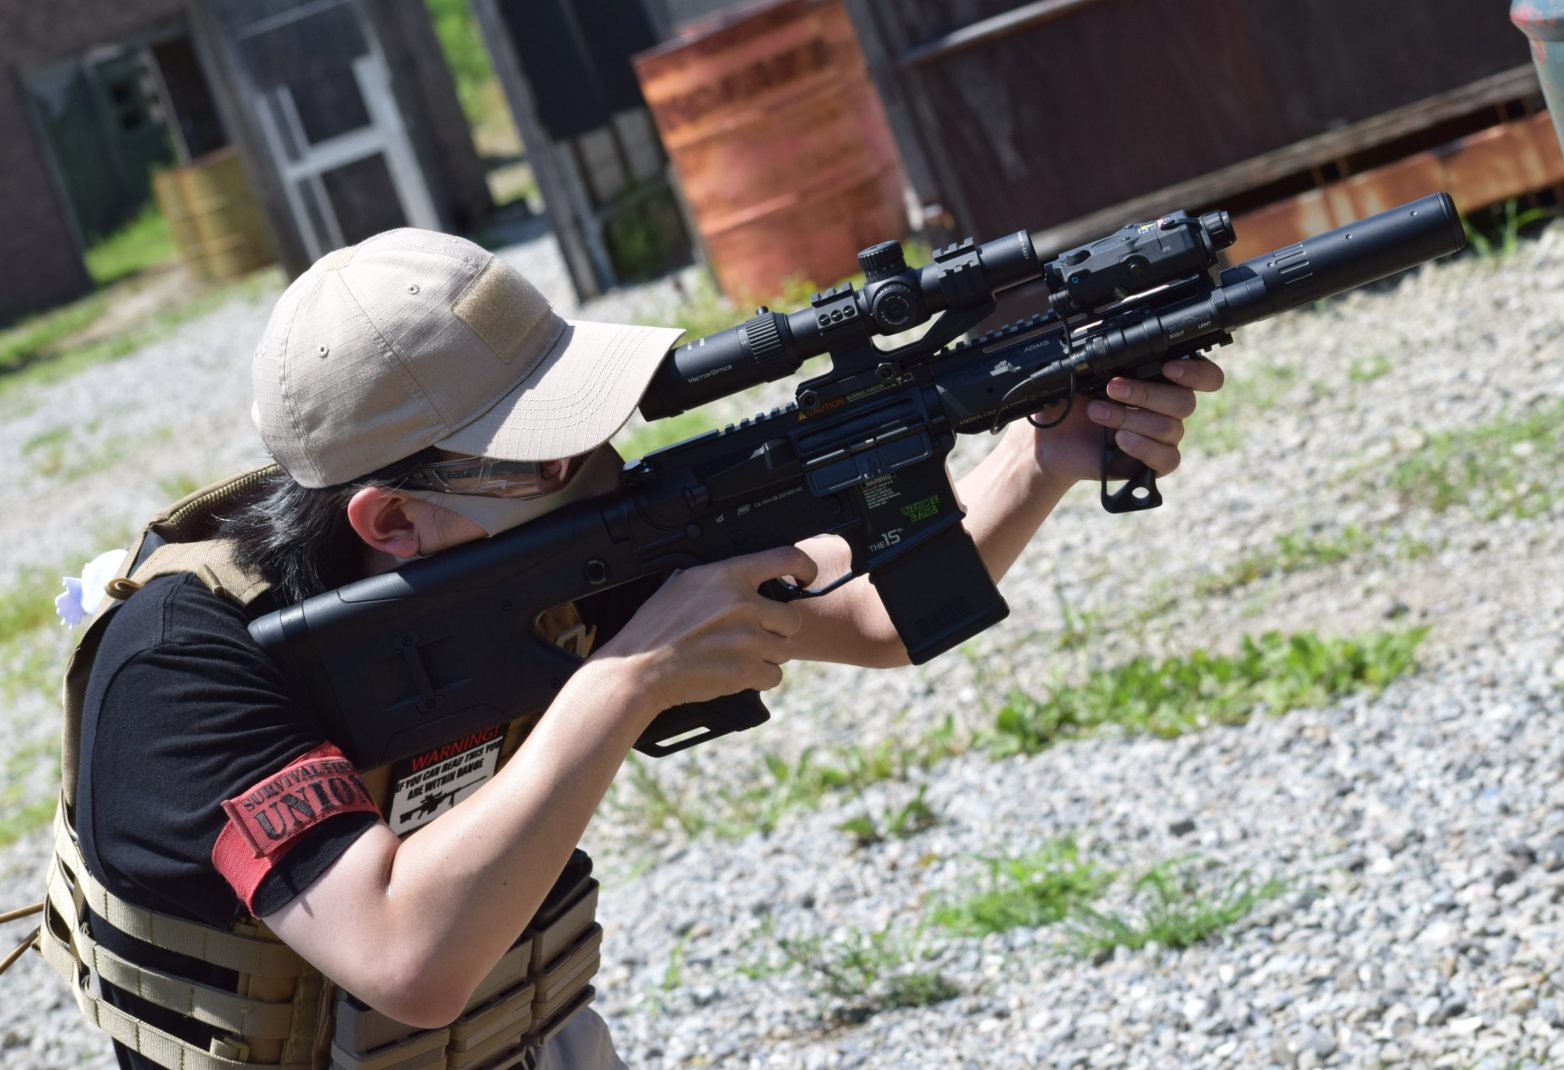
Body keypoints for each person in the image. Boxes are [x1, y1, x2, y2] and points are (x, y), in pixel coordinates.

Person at [49, 227, 1223, 1070]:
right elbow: (407, 956)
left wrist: (1038, 451)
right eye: (553, 454)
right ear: (393, 519)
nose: (604, 472)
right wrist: (630, 674)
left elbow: (867, 614)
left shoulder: (522, 543)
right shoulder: (182, 663)